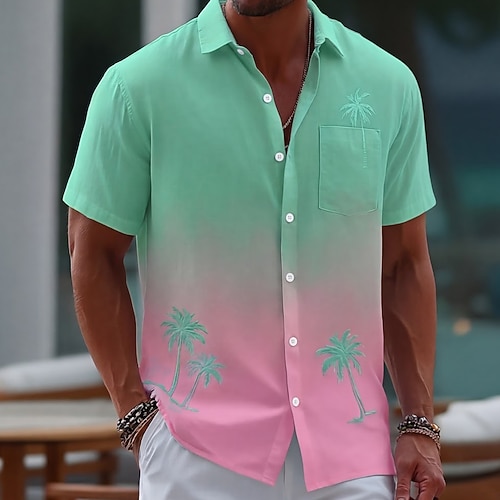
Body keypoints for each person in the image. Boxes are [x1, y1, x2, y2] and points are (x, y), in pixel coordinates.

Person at [64, 0, 446, 499]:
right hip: (195, 458)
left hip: (351, 462)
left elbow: (403, 266)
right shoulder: (137, 88)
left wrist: (419, 423)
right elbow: (91, 252)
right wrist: (137, 419)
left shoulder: (388, 86)